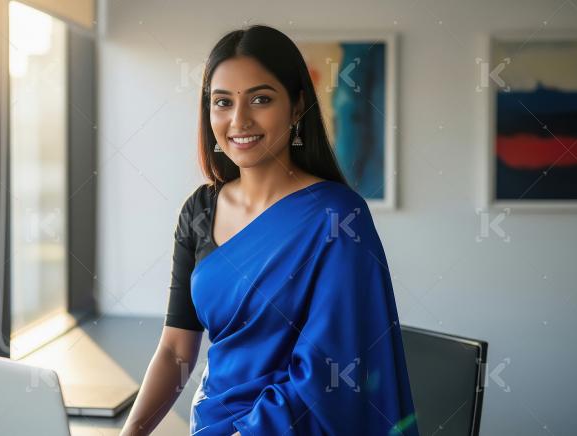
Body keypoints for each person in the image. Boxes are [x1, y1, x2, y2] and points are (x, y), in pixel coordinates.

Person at [120, 25, 418, 436]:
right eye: (222, 102)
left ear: (297, 107)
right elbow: (175, 349)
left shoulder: (337, 217)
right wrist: (130, 433)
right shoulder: (199, 210)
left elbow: (329, 372)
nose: (238, 120)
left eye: (260, 99)